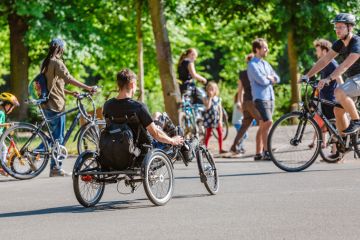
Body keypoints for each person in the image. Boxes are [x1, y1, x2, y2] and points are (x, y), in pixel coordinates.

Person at [304, 13, 360, 159]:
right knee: (338, 110)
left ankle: (357, 121)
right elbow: (325, 60)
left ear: (350, 27)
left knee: (339, 91)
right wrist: (308, 75)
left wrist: (328, 78)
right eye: (336, 27)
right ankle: (343, 142)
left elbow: (345, 65)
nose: (337, 30)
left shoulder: (356, 42)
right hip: (353, 80)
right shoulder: (339, 44)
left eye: (341, 27)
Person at [41, 38, 97, 177]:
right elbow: (69, 78)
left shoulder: (46, 62)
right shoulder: (57, 62)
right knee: (58, 138)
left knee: (54, 138)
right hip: (56, 105)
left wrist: (70, 92)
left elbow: (52, 85)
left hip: (47, 103)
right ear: (60, 49)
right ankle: (55, 168)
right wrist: (88, 87)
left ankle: (46, 161)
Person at [102, 69, 184, 152]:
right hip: (141, 148)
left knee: (156, 115)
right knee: (163, 117)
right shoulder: (138, 106)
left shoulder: (107, 105)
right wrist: (172, 141)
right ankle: (180, 143)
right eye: (136, 84)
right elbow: (155, 134)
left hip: (117, 146)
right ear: (132, 85)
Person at [247, 38, 280, 160]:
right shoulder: (252, 65)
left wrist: (270, 77)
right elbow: (261, 80)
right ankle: (267, 151)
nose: (267, 50)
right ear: (257, 49)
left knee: (263, 125)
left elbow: (277, 78)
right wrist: (269, 78)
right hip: (260, 98)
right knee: (268, 122)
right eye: (265, 48)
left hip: (270, 97)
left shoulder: (266, 64)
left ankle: (258, 153)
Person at [308, 39, 340, 152]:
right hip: (324, 99)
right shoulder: (324, 64)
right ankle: (335, 152)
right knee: (330, 126)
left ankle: (337, 153)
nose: (316, 53)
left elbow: (339, 78)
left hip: (331, 99)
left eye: (318, 50)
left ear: (325, 51)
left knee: (334, 127)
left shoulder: (332, 63)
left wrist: (343, 95)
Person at [230, 53, 263, 156]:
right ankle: (265, 148)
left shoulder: (242, 73)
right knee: (264, 122)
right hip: (253, 102)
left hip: (245, 103)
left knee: (244, 126)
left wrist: (239, 102)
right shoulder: (255, 72)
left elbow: (240, 90)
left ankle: (234, 146)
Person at [203, 81, 227, 154]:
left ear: (215, 90)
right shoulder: (205, 98)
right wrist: (210, 98)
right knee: (208, 134)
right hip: (209, 119)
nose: (211, 91)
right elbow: (207, 107)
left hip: (216, 119)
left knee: (220, 133)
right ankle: (205, 149)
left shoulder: (218, 99)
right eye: (209, 89)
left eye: (212, 89)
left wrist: (220, 120)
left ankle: (221, 148)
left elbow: (220, 110)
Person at [0, 93, 19, 176]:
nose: (12, 109)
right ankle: (2, 167)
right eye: (12, 107)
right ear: (7, 105)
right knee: (4, 149)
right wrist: (7, 124)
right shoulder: (1, 113)